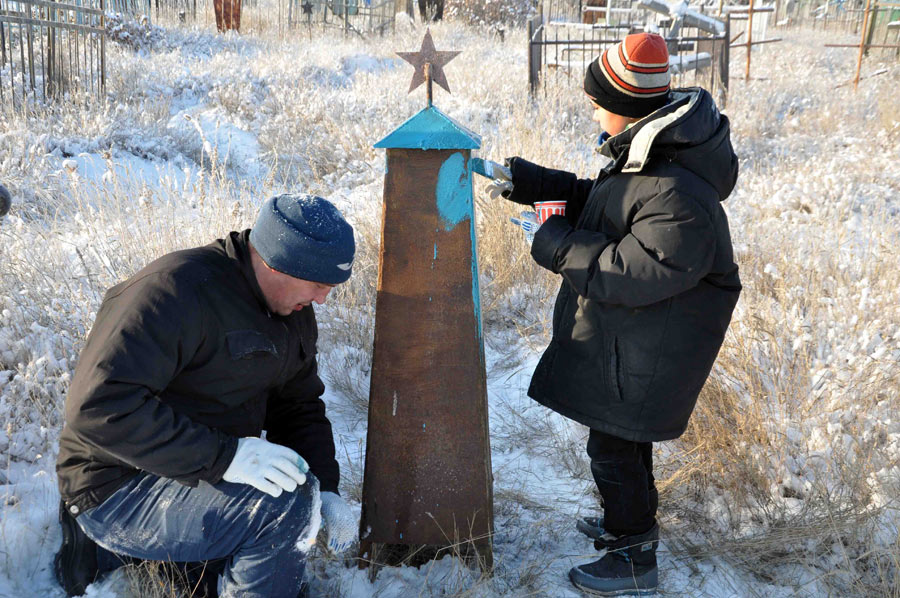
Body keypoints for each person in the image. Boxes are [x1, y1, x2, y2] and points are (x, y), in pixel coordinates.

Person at [488, 32, 741, 595]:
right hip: (636, 341)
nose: (594, 111)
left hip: (650, 352)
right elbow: (608, 206)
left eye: (600, 103)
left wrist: (554, 243)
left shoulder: (679, 194)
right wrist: (533, 184)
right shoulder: (654, 160)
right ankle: (628, 526)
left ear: (626, 111)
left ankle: (633, 556)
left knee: (614, 445)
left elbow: (629, 268)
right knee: (623, 442)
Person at [55, 194, 359, 598]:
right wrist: (226, 457)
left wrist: (328, 487)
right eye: (318, 285)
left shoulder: (291, 309)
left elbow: (298, 406)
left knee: (299, 489)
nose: (322, 299)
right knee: (283, 507)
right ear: (276, 262)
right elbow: (97, 408)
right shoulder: (175, 291)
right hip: (115, 485)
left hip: (197, 475)